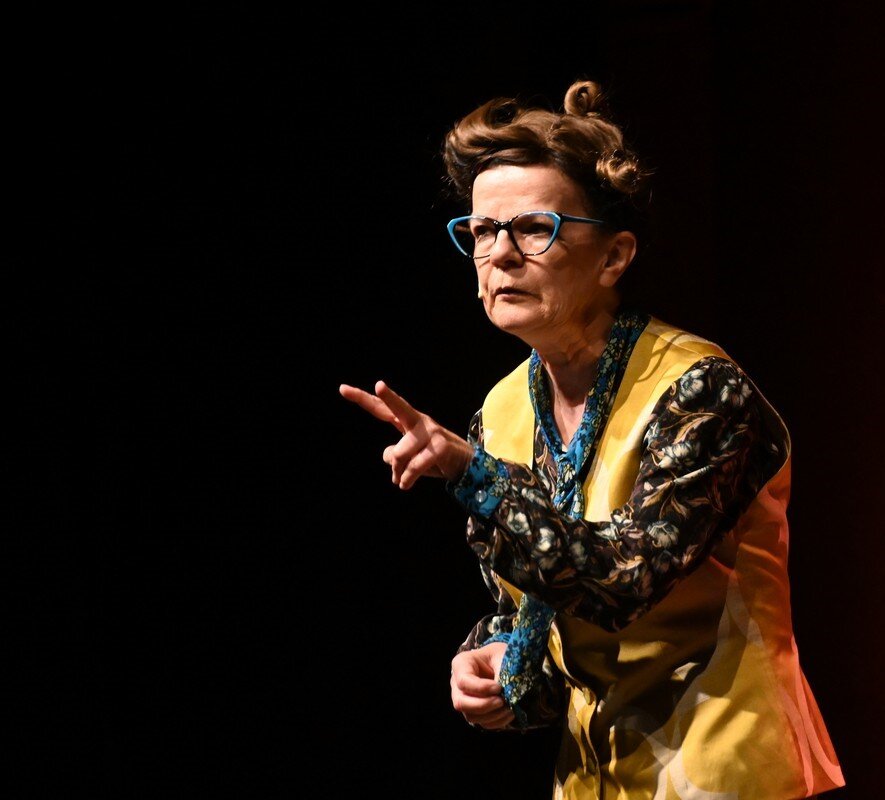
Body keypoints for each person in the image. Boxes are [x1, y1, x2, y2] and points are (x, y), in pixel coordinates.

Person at [340, 79, 846, 799]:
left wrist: (471, 474)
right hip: (594, 778)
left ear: (613, 257)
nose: (500, 254)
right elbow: (546, 621)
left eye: (533, 228)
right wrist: (496, 661)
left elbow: (622, 583)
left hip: (732, 767)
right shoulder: (501, 411)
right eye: (481, 231)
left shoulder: (701, 388)